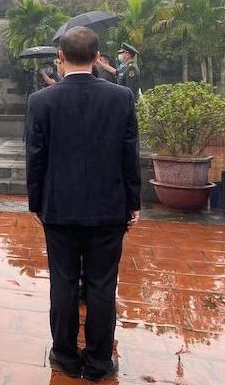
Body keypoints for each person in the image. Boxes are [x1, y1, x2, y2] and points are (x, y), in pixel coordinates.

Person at [26, 27, 141, 381]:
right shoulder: (121, 97)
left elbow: (36, 157)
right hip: (109, 207)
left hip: (59, 208)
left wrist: (36, 204)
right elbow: (129, 156)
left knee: (62, 281)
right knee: (102, 284)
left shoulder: (42, 101)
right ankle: (99, 362)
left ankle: (64, 354)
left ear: (60, 59)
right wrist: (133, 203)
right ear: (96, 58)